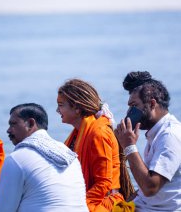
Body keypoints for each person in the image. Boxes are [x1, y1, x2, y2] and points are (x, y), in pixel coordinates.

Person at [57, 78, 134, 212]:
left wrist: (80, 207)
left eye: (61, 105)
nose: (57, 110)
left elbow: (104, 183)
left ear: (76, 107)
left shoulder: (99, 133)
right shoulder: (79, 132)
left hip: (104, 204)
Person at [0, 103, 88, 212]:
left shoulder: (16, 158)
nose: (8, 130)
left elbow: (2, 209)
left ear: (30, 123)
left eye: (13, 124)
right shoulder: (69, 155)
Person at [115, 71, 181, 212]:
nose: (129, 113)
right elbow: (144, 191)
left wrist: (129, 146)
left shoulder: (170, 135)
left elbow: (150, 187)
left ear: (152, 104)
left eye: (134, 106)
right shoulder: (157, 133)